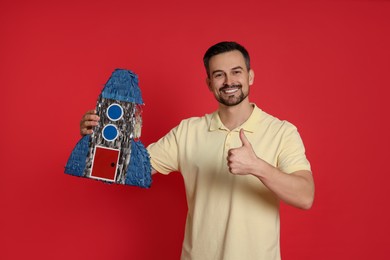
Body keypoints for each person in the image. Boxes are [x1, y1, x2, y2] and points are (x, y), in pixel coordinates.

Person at [80, 41, 315, 260]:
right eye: (219, 75)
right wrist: (100, 138)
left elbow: (305, 197)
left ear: (250, 76)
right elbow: (126, 170)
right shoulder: (188, 132)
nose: (228, 81)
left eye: (236, 71)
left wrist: (258, 167)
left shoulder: (282, 132)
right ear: (209, 83)